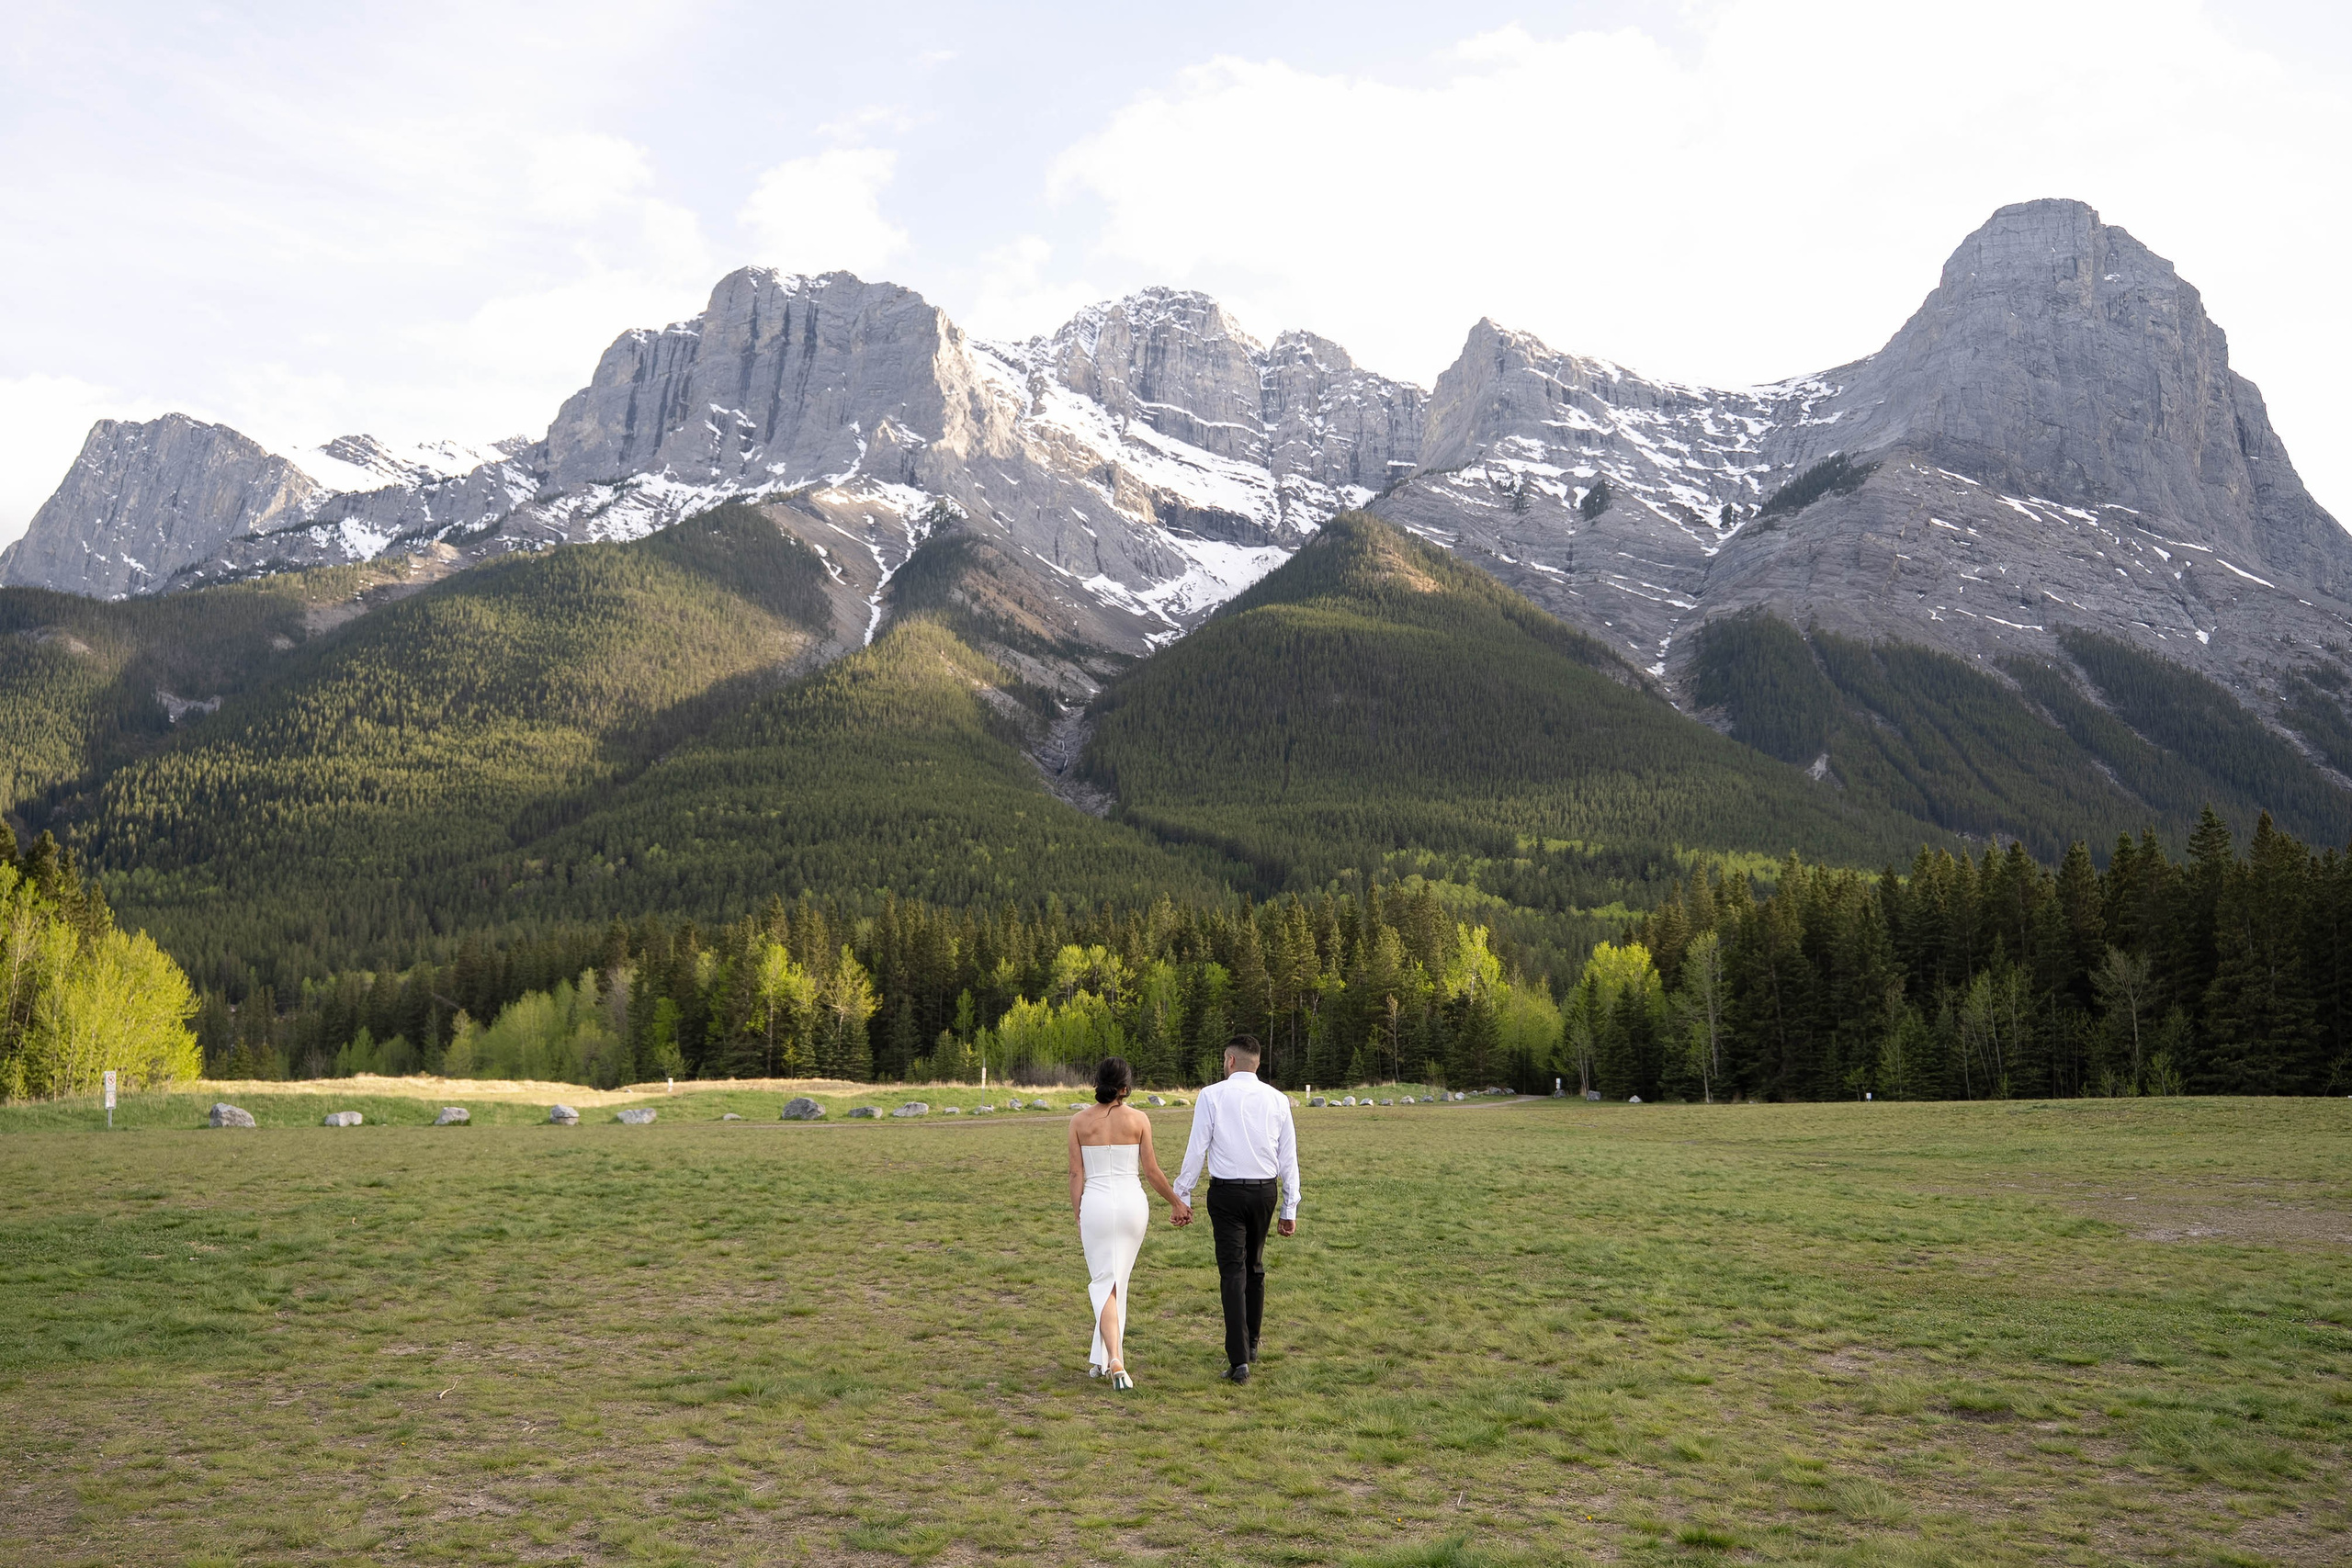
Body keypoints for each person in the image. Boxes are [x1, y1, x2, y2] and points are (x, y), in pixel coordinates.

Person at [1171, 1034, 1300, 1385]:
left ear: (1230, 1060)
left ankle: (1239, 1358)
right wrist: (1290, 1205)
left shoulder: (1212, 1096)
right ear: (1256, 1063)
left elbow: (1197, 1148)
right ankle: (1252, 1343)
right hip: (1265, 1192)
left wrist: (1181, 1195)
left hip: (1227, 1194)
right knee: (1254, 1266)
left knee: (1233, 1272)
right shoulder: (1277, 1100)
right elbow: (1288, 1156)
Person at [1068, 1055, 1189, 1390]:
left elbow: (1076, 1173)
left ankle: (1116, 1361)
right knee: (1115, 1278)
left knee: (1105, 1281)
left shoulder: (1078, 1122)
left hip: (1096, 1204)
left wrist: (1077, 1211)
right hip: (1133, 1205)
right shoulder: (1139, 1119)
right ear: (1126, 1086)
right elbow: (1151, 1171)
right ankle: (1102, 1359)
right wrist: (1176, 1201)